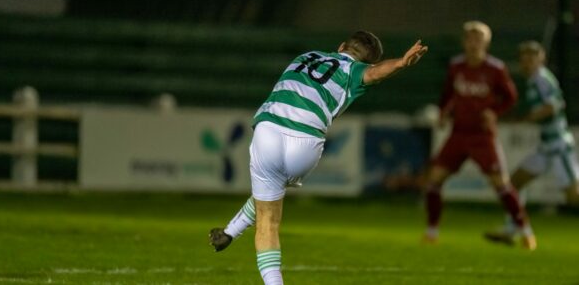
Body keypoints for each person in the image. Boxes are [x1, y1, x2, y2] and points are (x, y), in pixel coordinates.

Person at [208, 31, 428, 285]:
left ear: (341, 46)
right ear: (366, 62)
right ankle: (229, 233)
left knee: (267, 209)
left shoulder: (306, 56)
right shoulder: (354, 71)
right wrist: (400, 62)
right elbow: (376, 73)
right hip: (306, 140)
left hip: (269, 129)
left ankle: (237, 240)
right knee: (271, 192)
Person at [422, 21, 537, 250]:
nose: (474, 43)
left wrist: (494, 112)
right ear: (464, 42)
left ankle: (526, 231)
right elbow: (447, 94)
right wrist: (443, 113)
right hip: (458, 134)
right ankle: (432, 231)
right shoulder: (456, 66)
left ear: (486, 43)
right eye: (470, 38)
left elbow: (510, 97)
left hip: (483, 136)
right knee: (434, 180)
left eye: (478, 39)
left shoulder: (495, 68)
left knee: (501, 184)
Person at [485, 40, 579, 245]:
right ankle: (511, 229)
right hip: (546, 147)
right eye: (524, 59)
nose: (527, 63)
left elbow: (553, 107)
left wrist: (526, 119)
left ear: (541, 59)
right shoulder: (533, 80)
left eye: (532, 58)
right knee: (515, 183)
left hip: (558, 146)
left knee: (574, 197)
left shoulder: (541, 80)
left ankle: (511, 229)